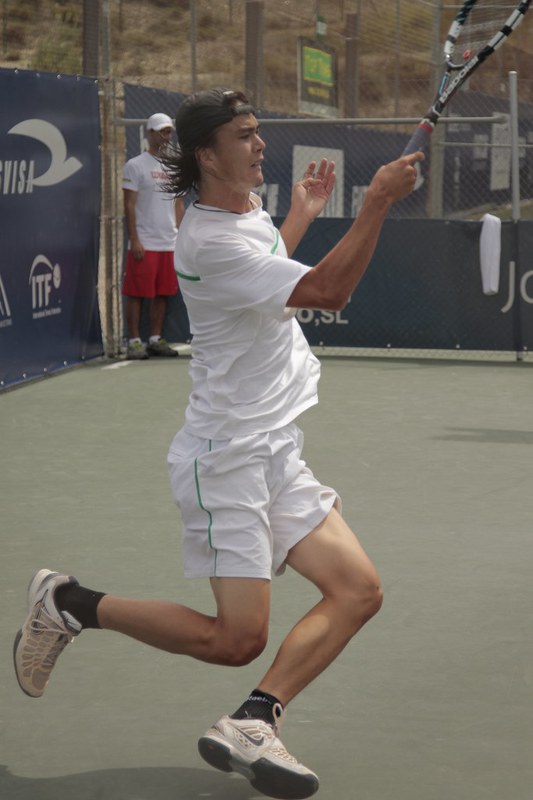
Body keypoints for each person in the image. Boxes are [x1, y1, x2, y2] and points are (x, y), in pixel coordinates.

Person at [13, 89, 423, 799]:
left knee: (358, 590)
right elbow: (325, 292)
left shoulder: (245, 213)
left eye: (258, 131)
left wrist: (299, 216)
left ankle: (254, 720)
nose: (260, 144)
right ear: (206, 154)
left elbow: (267, 269)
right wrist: (378, 200)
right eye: (244, 135)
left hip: (275, 450)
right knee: (235, 641)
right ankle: (71, 603)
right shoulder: (206, 238)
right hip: (226, 458)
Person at [122, 112, 185, 360]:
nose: (166, 136)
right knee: (137, 293)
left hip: (169, 242)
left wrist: (182, 237)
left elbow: (178, 204)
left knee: (163, 293)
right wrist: (135, 239)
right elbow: (129, 205)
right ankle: (134, 342)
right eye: (161, 132)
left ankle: (155, 339)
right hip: (144, 243)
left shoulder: (174, 167)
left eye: (168, 132)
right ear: (149, 133)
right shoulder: (135, 165)